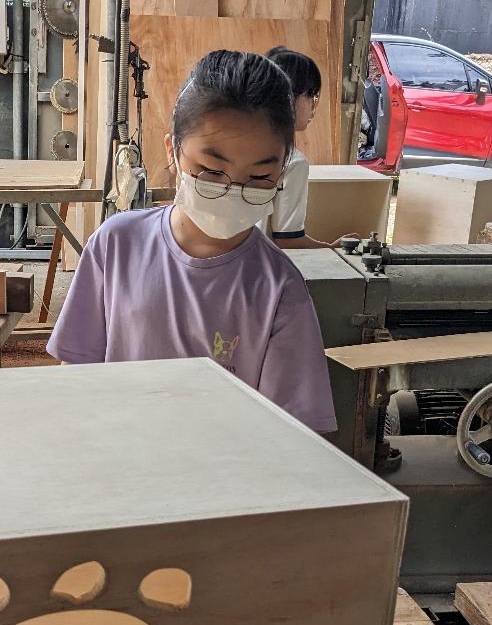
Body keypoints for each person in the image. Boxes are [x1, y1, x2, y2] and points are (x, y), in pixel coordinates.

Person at [46, 49, 336, 435]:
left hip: (224, 468)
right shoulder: (115, 247)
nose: (233, 189)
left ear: (281, 172)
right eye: (212, 171)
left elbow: (292, 432)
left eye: (259, 178)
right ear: (173, 151)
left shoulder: (279, 289)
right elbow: (75, 375)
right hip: (118, 454)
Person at [259, 47, 351, 250]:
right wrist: (331, 248)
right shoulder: (292, 161)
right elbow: (287, 239)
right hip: (257, 264)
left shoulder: (240, 147)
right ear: (289, 97)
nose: (313, 106)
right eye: (311, 96)